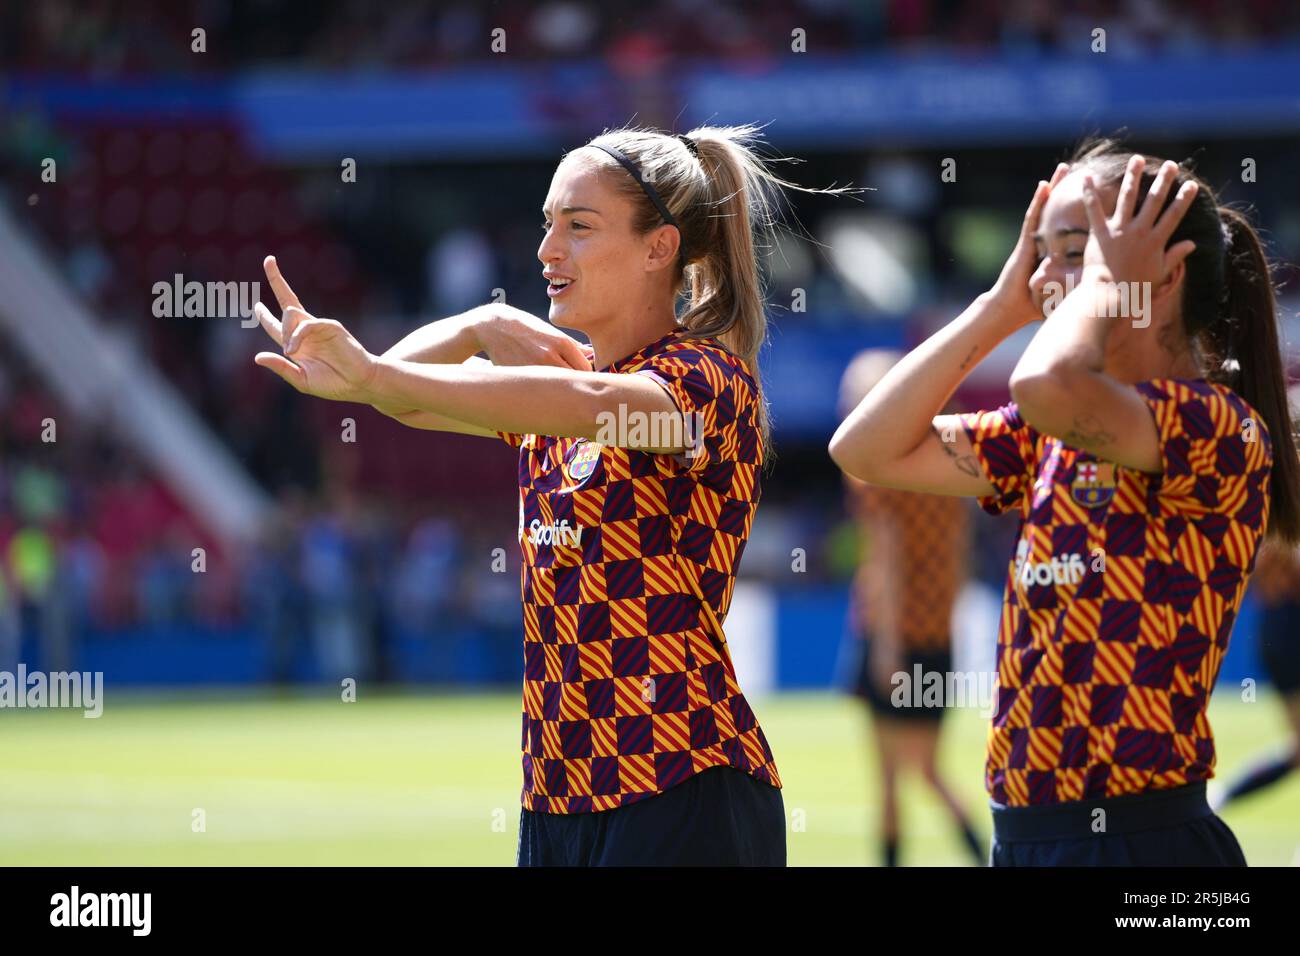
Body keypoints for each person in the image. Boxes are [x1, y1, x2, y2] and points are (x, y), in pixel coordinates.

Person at [254, 125, 845, 866]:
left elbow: (588, 401)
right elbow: (398, 397)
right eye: (547, 225)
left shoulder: (704, 380)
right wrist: (478, 324)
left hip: (681, 781)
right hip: (557, 793)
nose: (546, 251)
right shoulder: (556, 400)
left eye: (578, 227)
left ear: (660, 248)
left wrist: (375, 374)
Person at [829, 139, 1300, 866]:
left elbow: (1044, 385)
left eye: (1077, 250)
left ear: (1164, 273)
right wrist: (997, 305)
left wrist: (1103, 288)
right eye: (1042, 252)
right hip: (1025, 838)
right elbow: (865, 448)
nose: (1049, 275)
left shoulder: (1216, 425)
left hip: (1144, 844)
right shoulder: (1043, 434)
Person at [838, 348, 984, 866]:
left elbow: (888, 556)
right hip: (937, 633)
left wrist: (886, 644)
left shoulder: (874, 468)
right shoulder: (944, 460)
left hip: (891, 633)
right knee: (926, 771)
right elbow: (958, 560)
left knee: (894, 781)